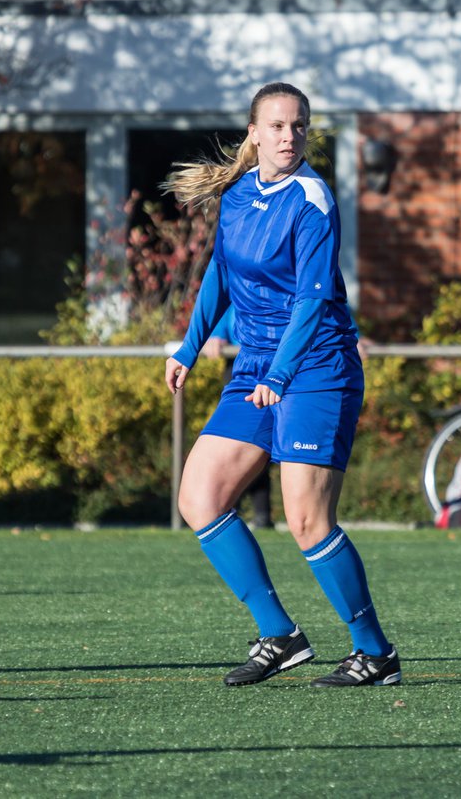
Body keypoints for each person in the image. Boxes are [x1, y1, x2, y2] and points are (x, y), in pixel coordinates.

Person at [163, 82, 400, 687]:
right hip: (257, 371)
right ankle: (280, 635)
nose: (288, 136)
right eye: (276, 126)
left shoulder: (313, 199)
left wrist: (281, 372)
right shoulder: (241, 193)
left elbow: (313, 299)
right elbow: (220, 270)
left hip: (315, 369)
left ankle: (375, 654)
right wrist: (189, 347)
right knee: (200, 498)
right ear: (254, 134)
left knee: (307, 522)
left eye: (298, 126)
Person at [200, 307, 274, 531]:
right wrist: (212, 335)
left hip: (283, 368)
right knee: (240, 446)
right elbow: (219, 308)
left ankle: (260, 514)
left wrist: (352, 337)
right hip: (241, 367)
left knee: (259, 448)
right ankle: (233, 510)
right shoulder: (236, 284)